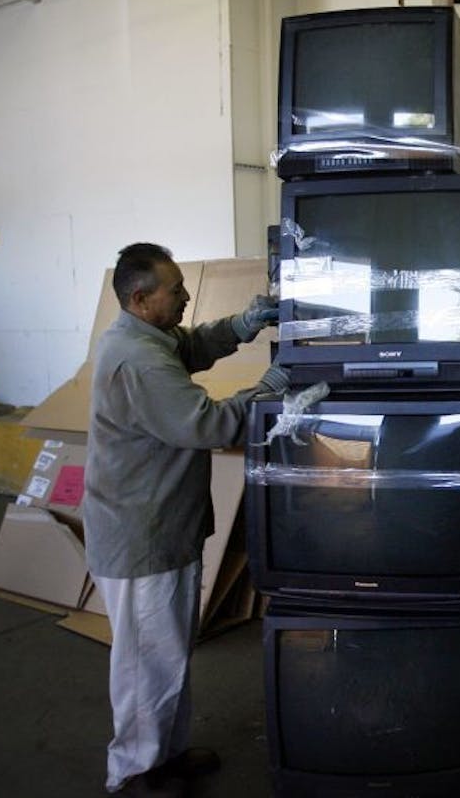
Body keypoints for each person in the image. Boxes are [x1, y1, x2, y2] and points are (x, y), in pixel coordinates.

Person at [84, 242, 289, 798]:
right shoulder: (138, 360)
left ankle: (165, 755)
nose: (186, 295)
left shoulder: (146, 337)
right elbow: (208, 426)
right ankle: (133, 772)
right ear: (141, 297)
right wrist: (266, 391)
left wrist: (243, 324)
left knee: (166, 653)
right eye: (175, 291)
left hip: (160, 527)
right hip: (141, 536)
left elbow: (192, 343)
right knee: (146, 663)